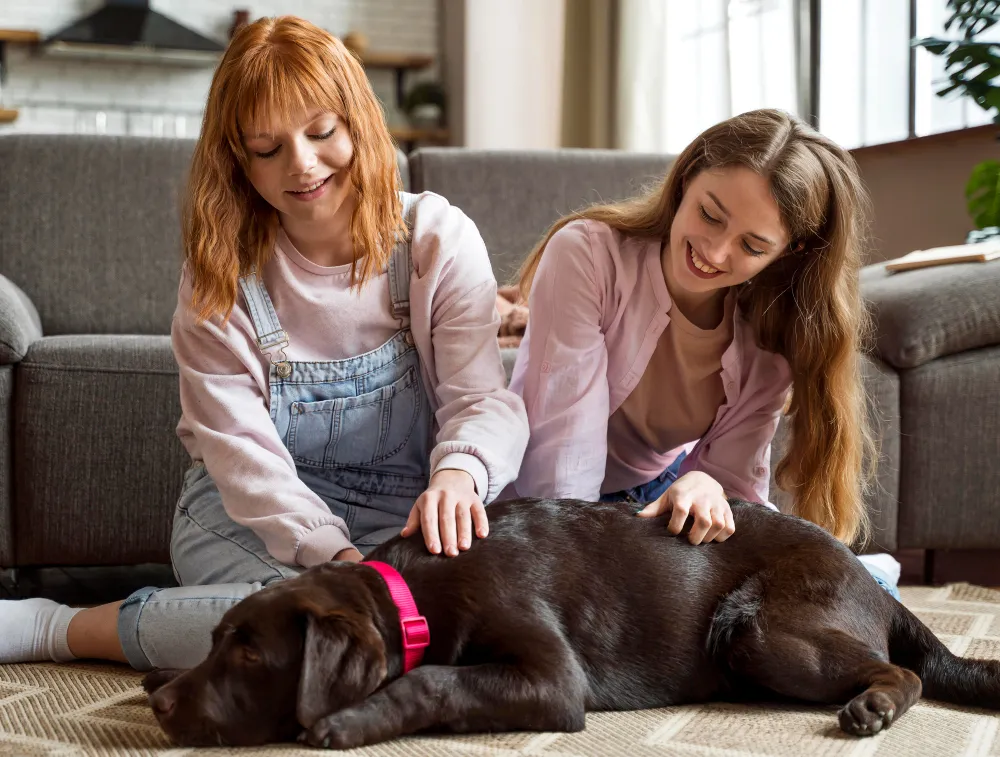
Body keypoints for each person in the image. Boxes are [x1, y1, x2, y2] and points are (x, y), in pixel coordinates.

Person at [0, 15, 527, 669]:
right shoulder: (221, 271)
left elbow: (481, 397)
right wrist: (337, 563)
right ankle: (58, 628)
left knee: (424, 628)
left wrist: (459, 475)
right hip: (248, 515)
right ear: (238, 159)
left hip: (401, 513)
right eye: (267, 147)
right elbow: (243, 456)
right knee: (316, 631)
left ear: (357, 121)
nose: (301, 165)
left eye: (321, 131)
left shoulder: (435, 238)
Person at [507, 108, 900, 597]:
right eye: (710, 215)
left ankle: (872, 577)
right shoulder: (588, 254)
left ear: (789, 252)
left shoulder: (769, 340)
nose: (714, 253)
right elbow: (562, 463)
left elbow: (732, 480)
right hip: (542, 501)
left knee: (816, 585)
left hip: (655, 501)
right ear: (685, 178)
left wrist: (708, 488)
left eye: (753, 246)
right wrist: (576, 575)